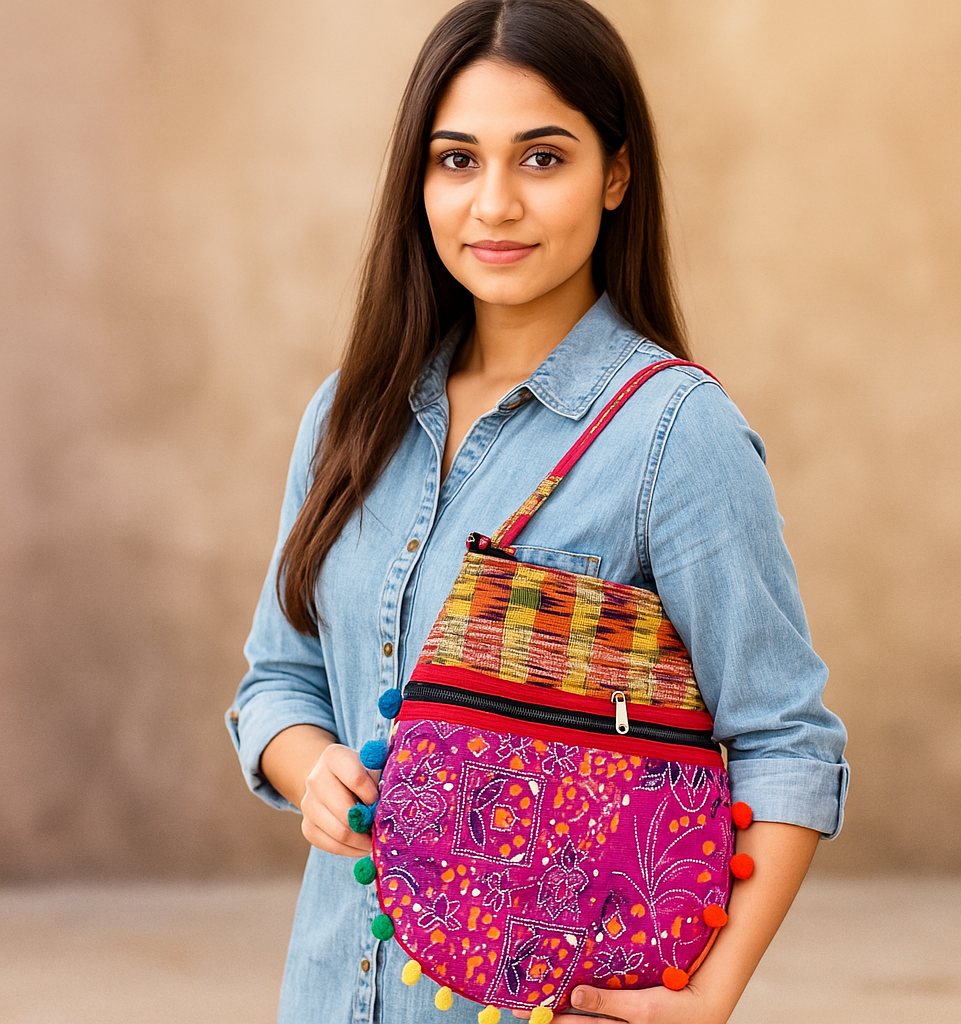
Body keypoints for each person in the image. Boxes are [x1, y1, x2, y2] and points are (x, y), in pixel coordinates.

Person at [226, 1, 849, 1021]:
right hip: (329, 990)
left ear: (615, 173)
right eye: (457, 160)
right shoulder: (348, 414)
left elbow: (786, 739)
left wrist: (711, 994)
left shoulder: (673, 434)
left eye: (542, 159)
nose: (495, 204)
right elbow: (276, 680)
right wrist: (314, 772)